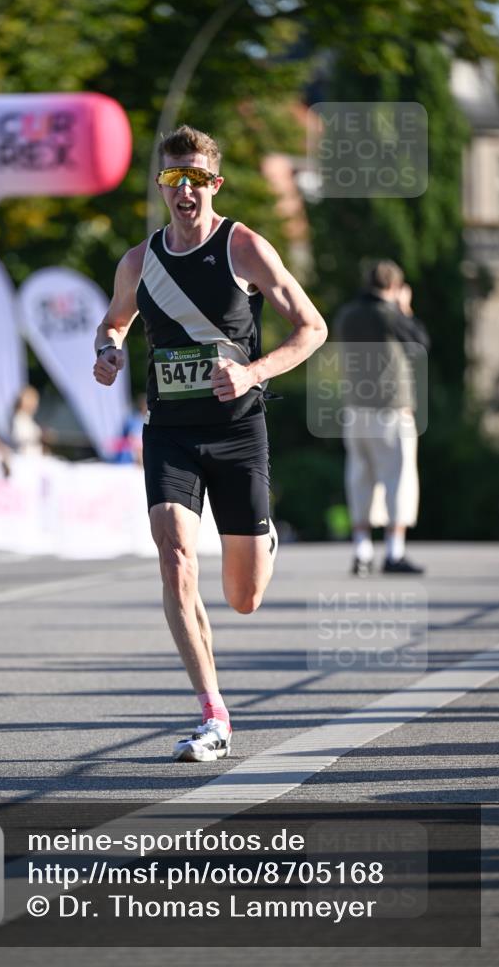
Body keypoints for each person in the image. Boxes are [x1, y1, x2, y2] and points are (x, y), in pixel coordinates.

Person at [93, 125, 327, 762]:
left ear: (214, 184)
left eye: (197, 178)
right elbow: (114, 323)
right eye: (174, 178)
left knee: (243, 598)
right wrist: (108, 354)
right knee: (173, 554)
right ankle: (213, 715)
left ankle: (263, 536)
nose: (186, 190)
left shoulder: (244, 247)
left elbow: (312, 328)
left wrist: (252, 371)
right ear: (162, 185)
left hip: (236, 432)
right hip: (169, 431)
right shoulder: (139, 261)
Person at [333, 260, 430, 576]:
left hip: (355, 409)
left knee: (360, 479)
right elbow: (420, 343)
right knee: (397, 480)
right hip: (391, 409)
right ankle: (393, 552)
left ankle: (361, 551)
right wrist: (405, 308)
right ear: (394, 286)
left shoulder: (347, 314)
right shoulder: (390, 314)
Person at [11, 385, 44, 457]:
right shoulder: (20, 418)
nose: (36, 405)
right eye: (35, 401)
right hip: (26, 457)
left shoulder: (28, 419)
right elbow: (19, 436)